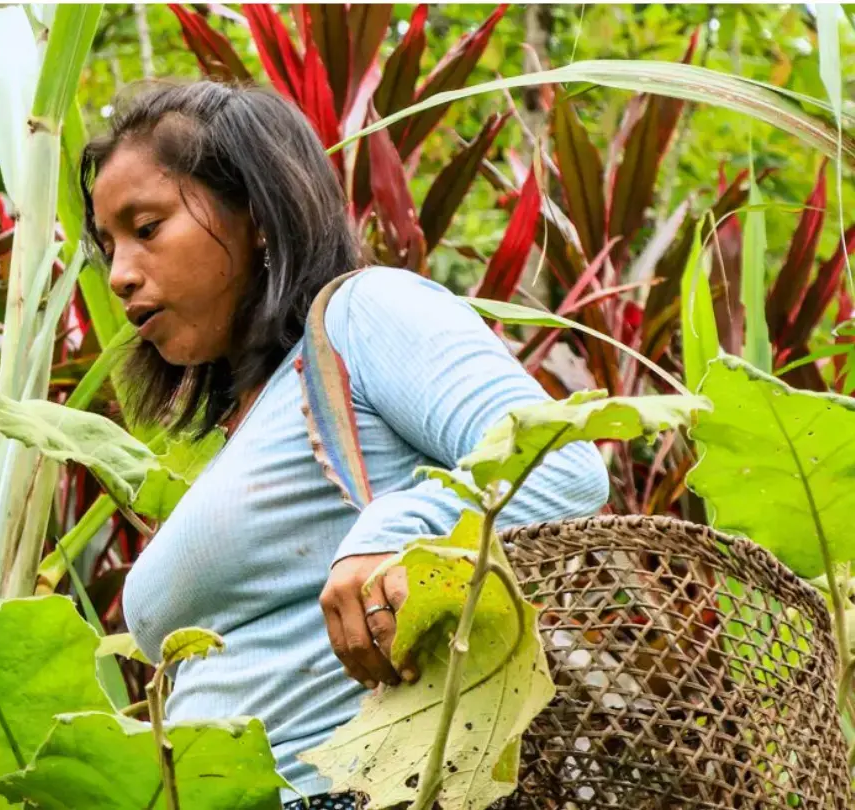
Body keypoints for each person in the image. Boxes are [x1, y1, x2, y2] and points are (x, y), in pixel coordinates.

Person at [80, 79, 609, 809]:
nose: (119, 274)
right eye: (108, 245)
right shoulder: (252, 421)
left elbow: (562, 464)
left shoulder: (364, 314)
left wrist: (394, 534)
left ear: (257, 215)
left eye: (147, 228)